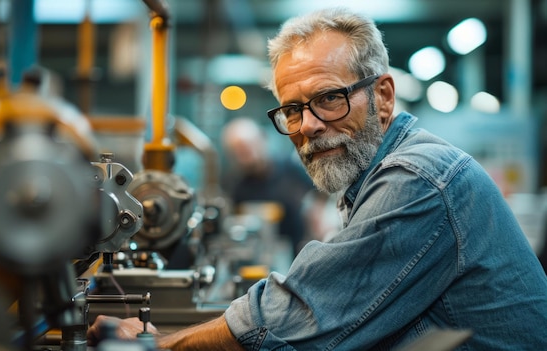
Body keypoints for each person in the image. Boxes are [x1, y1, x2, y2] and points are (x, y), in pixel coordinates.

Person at [87, 7, 547, 350]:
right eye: (291, 110)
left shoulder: (416, 179)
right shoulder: (373, 175)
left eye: (329, 99)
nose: (307, 126)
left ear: (383, 97)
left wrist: (154, 345)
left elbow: (298, 313)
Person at [220, 116, 314, 257]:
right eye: (239, 150)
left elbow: (318, 198)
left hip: (299, 250)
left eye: (249, 146)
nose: (246, 154)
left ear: (262, 139)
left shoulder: (291, 169)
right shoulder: (233, 184)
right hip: (255, 255)